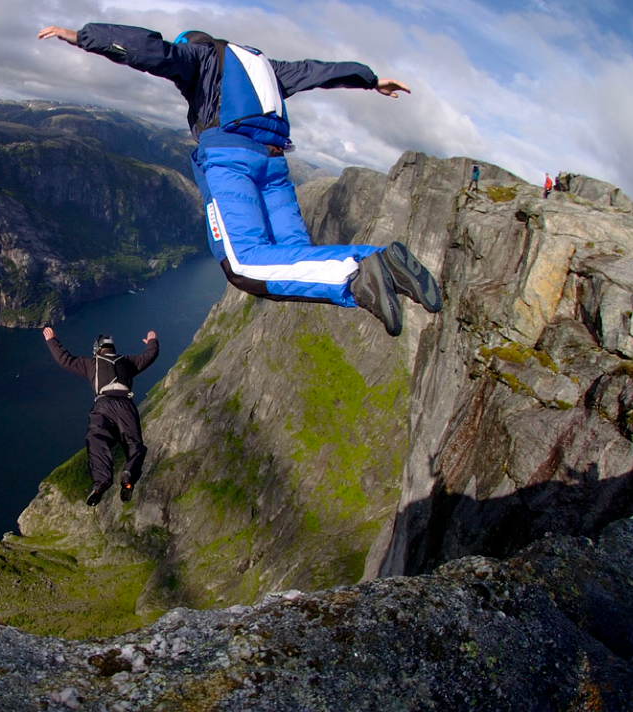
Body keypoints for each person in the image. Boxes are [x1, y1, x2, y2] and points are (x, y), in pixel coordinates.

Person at [37, 23, 441, 337]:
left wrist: (85, 38)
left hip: (232, 162)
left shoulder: (201, 55)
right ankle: (383, 270)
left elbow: (153, 52)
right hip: (275, 167)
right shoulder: (265, 65)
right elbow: (317, 72)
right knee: (292, 262)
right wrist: (368, 78)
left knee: (244, 264)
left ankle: (366, 265)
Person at [43, 327, 159, 506]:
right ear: (113, 349)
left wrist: (52, 340)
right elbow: (151, 355)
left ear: (97, 350)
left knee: (97, 439)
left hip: (103, 405)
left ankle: (100, 483)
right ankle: (129, 475)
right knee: (133, 443)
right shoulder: (128, 362)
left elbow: (64, 359)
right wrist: (152, 340)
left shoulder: (91, 363)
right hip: (126, 405)